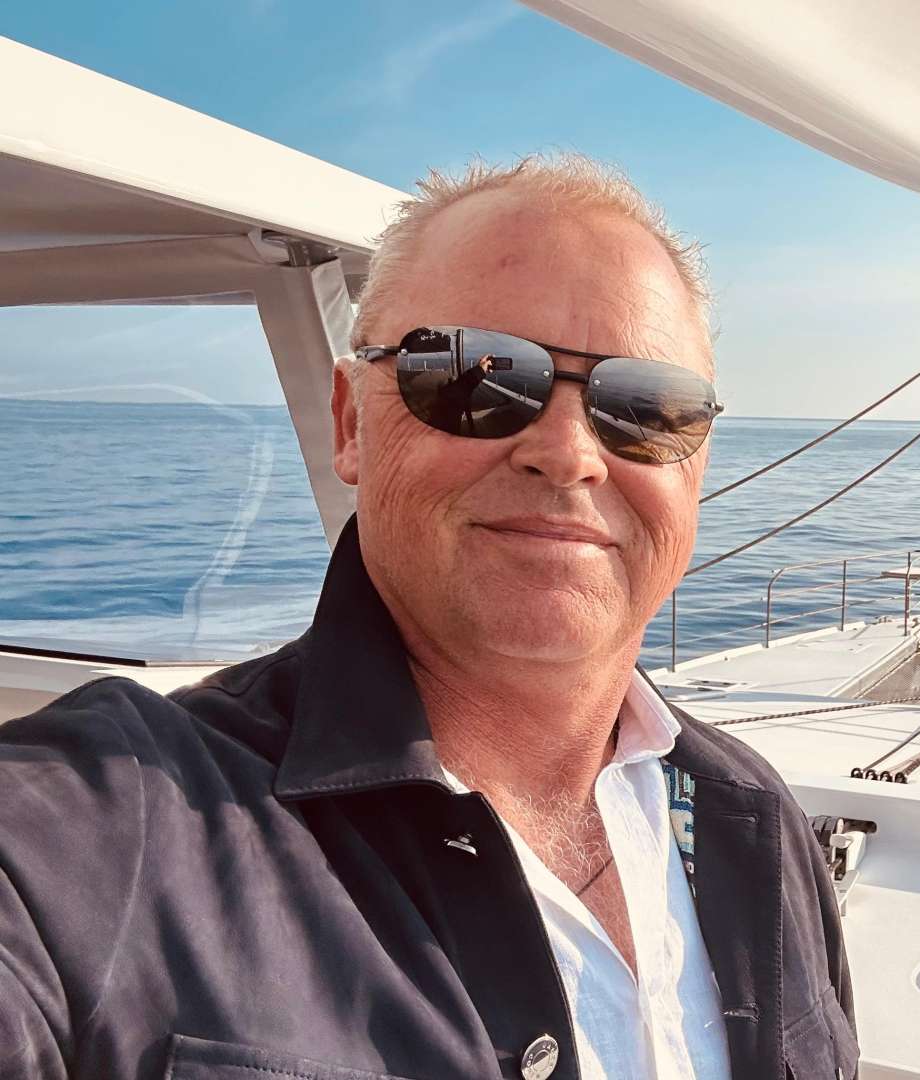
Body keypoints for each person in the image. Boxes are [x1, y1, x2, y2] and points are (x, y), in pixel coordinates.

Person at [0, 154, 855, 1079]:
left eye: (646, 406)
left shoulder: (758, 823)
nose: (569, 452)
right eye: (475, 378)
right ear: (351, 423)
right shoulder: (101, 831)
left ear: (698, 462)